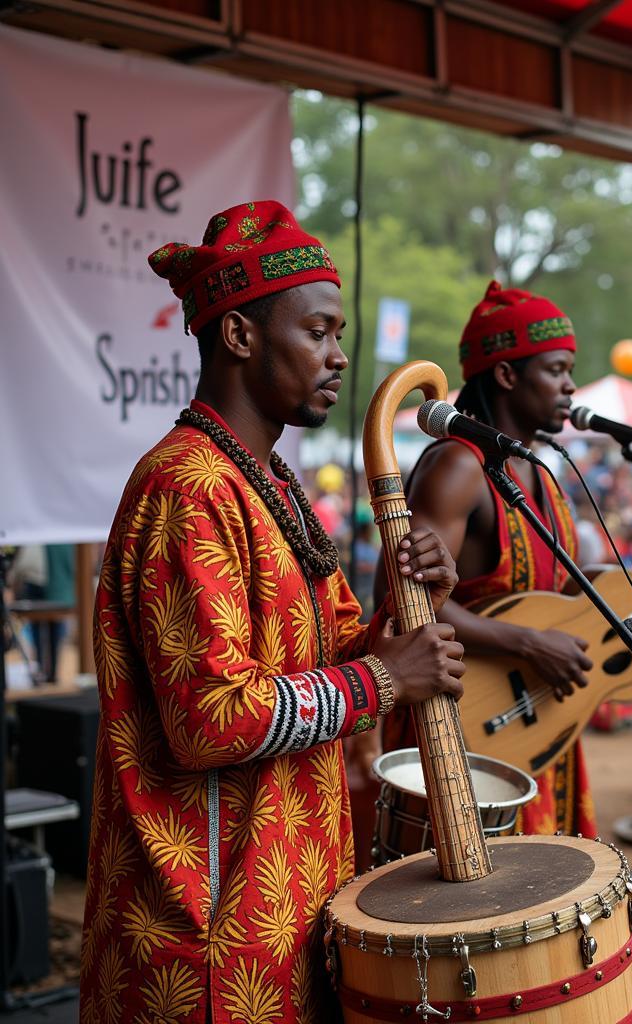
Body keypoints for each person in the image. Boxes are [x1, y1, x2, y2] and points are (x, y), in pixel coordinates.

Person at [79, 201, 466, 1024]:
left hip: (288, 900)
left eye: (339, 334)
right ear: (241, 336)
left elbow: (332, 655)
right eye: (319, 332)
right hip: (209, 934)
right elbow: (211, 720)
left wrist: (404, 610)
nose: (340, 355)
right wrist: (382, 676)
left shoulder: (271, 483)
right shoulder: (190, 488)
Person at [374, 280, 598, 838]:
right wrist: (527, 642)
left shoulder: (537, 472)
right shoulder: (459, 467)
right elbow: (401, 601)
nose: (570, 385)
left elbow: (542, 589)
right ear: (505, 374)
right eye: (556, 369)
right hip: (464, 724)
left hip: (535, 722)